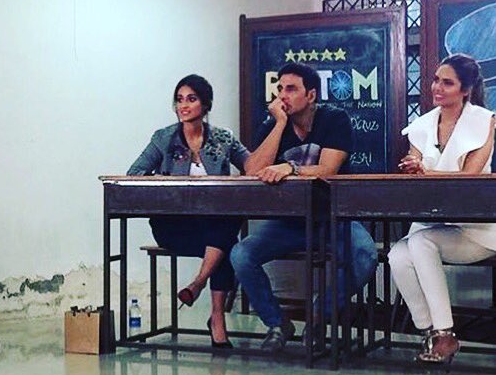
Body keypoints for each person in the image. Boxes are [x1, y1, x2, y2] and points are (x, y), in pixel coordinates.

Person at [230, 62, 377, 352]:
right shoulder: (272, 125)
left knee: (365, 255)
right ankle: (277, 323)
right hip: (290, 221)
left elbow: (328, 169)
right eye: (280, 89)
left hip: (333, 218)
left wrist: (290, 168)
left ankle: (319, 316)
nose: (282, 95)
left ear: (311, 95)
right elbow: (252, 170)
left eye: (291, 89)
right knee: (241, 255)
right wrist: (279, 124)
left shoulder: (334, 119)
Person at [128, 74, 252, 348]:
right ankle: (214, 314)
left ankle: (199, 288)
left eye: (191, 99)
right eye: (179, 100)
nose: (183, 105)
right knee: (226, 245)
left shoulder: (223, 138)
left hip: (212, 224)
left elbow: (253, 165)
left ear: (205, 105)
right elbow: (135, 173)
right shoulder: (163, 138)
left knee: (226, 230)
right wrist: (168, 185)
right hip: (173, 225)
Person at [388, 54, 496, 365]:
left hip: (476, 227)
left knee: (422, 243)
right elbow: (416, 172)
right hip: (432, 220)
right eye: (436, 80)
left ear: (466, 89)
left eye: (447, 83)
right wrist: (412, 168)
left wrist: (425, 170)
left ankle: (445, 334)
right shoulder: (421, 125)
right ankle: (431, 333)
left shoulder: (484, 120)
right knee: (397, 256)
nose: (437, 87)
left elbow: (470, 176)